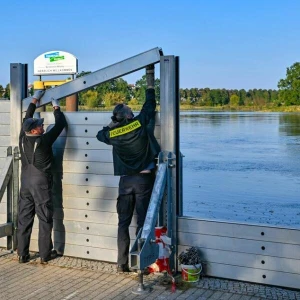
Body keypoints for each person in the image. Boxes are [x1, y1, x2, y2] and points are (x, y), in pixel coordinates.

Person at [96, 65, 160, 273]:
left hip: (125, 183)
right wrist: (150, 82)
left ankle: (121, 263)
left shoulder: (113, 134)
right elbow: (150, 105)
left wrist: (114, 123)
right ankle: (142, 263)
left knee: (123, 224)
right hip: (143, 181)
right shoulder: (139, 124)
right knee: (143, 222)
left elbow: (100, 134)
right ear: (129, 116)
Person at [17, 90, 67, 264]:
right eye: (39, 125)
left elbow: (27, 117)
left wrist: (34, 100)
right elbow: (60, 124)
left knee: (24, 218)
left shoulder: (22, 137)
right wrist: (56, 107)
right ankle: (45, 254)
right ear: (34, 130)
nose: (42, 126)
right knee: (45, 218)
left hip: (25, 182)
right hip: (41, 184)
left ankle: (22, 255)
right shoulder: (44, 140)